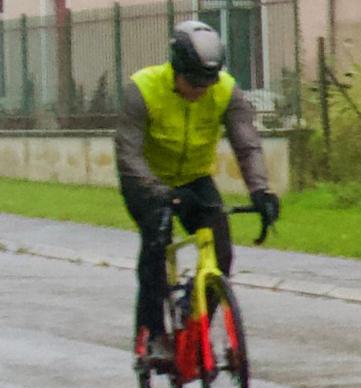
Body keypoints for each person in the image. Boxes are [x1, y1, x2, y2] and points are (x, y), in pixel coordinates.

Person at [117, 18, 278, 362]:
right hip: (146, 180)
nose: (201, 89)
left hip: (194, 179)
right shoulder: (142, 89)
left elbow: (247, 145)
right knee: (156, 245)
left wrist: (261, 192)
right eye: (193, 81)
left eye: (208, 80)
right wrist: (157, 192)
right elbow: (128, 153)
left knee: (222, 253)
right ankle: (154, 336)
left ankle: (193, 314)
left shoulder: (226, 90)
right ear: (175, 67)